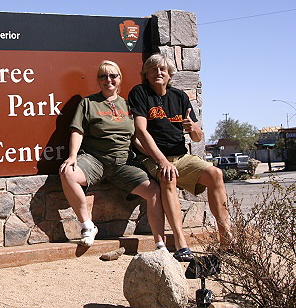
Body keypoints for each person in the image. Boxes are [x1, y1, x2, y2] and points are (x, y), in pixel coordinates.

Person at [128, 54, 232, 261]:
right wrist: (162, 161)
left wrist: (193, 127)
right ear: (146, 74)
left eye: (162, 70)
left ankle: (226, 239)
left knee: (215, 174)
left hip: (181, 156)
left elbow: (197, 136)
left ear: (169, 75)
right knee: (168, 176)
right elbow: (140, 131)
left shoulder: (180, 97)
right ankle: (181, 243)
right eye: (153, 69)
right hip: (152, 156)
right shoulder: (140, 93)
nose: (158, 73)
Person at [59, 60, 167, 249]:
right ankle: (87, 226)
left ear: (119, 79)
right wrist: (72, 156)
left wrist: (157, 159)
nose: (108, 80)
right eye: (103, 76)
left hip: (124, 163)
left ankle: (160, 244)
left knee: (154, 191)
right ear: (98, 80)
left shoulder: (128, 105)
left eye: (112, 76)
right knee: (68, 173)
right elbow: (77, 131)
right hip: (95, 160)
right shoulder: (88, 103)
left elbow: (137, 138)